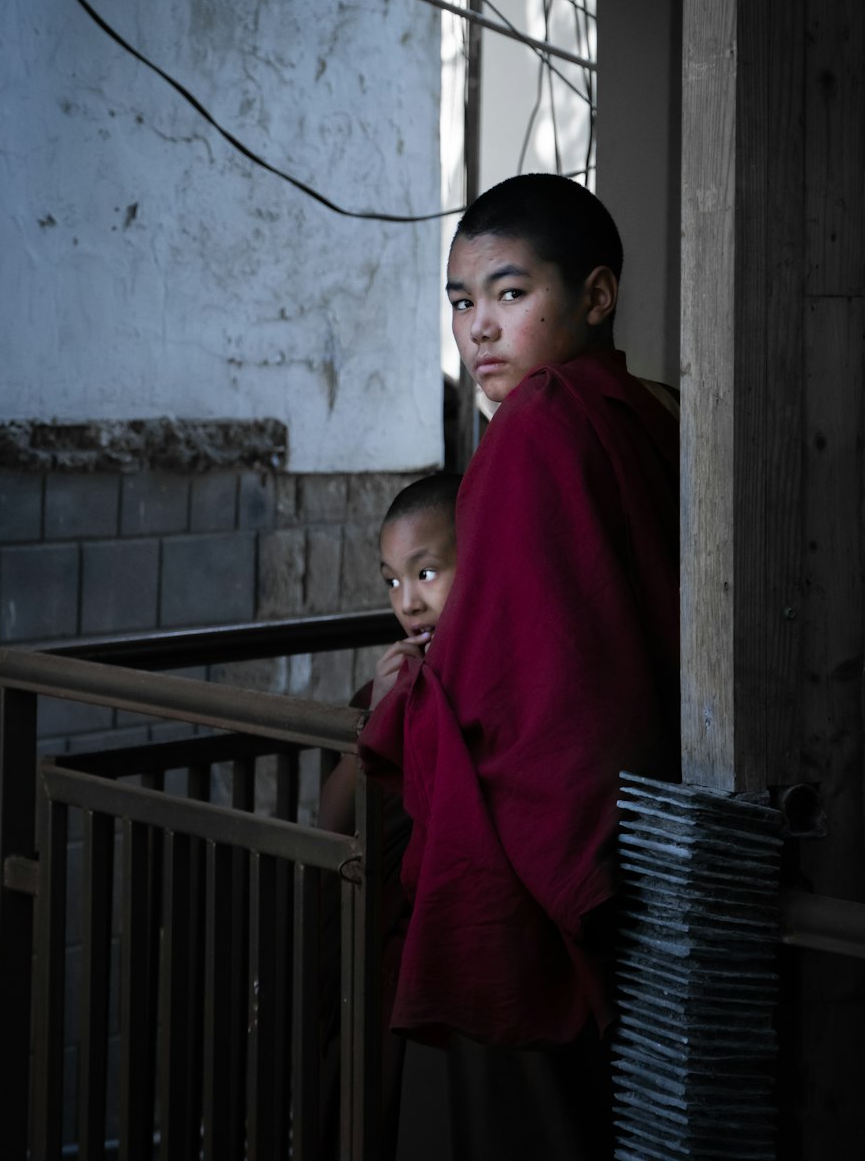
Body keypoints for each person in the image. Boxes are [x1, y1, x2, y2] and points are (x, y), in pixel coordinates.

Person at [358, 173, 680, 1155]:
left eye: (509, 293)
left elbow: (522, 690)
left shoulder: (539, 420)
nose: (479, 330)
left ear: (592, 296)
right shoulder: (643, 413)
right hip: (642, 837)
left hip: (518, 876)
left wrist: (399, 709)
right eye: (461, 302)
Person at [317, 474, 461, 1157]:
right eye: (392, 582)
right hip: (380, 945)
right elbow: (331, 818)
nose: (408, 602)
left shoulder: (490, 677)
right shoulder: (396, 678)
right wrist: (377, 712)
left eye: (427, 573)